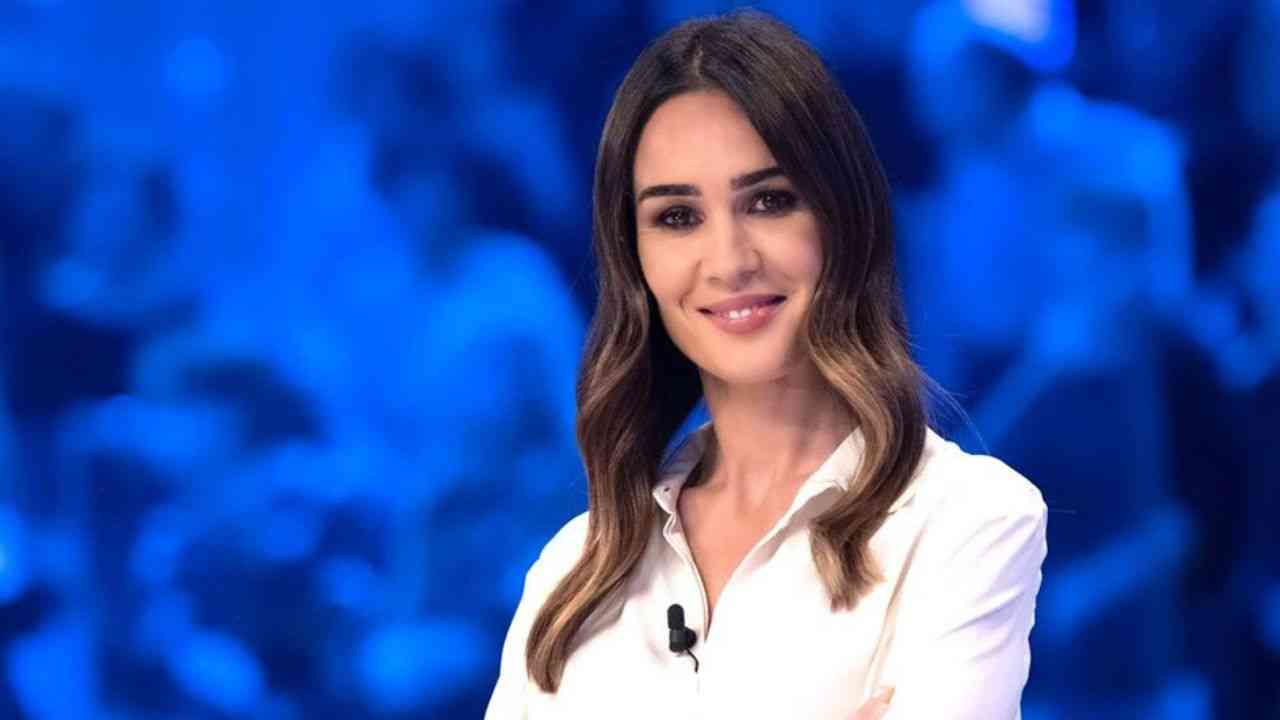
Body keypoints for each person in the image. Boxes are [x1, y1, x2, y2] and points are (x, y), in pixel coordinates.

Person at [485, 10, 1047, 719]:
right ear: (636, 260)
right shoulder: (572, 570)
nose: (729, 260)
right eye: (678, 217)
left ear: (842, 220)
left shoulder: (966, 523)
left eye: (770, 202)